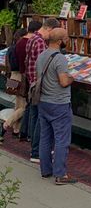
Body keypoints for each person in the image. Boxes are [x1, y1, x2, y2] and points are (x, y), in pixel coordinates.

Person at [37, 27, 76, 185]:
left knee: (45, 138)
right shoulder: (60, 59)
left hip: (43, 101)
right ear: (60, 41)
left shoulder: (42, 55)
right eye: (66, 38)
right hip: (59, 103)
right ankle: (60, 174)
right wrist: (72, 78)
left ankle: (45, 170)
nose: (67, 40)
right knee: (62, 139)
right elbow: (63, 81)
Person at [24, 17, 60, 162]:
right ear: (50, 29)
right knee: (41, 119)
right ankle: (37, 152)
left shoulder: (32, 39)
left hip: (32, 82)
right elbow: (43, 65)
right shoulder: (40, 42)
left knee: (35, 116)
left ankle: (34, 148)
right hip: (39, 85)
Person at [3, 28, 27, 135]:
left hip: (12, 76)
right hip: (19, 76)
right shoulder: (20, 49)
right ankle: (7, 123)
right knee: (23, 107)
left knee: (18, 104)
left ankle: (16, 129)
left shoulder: (10, 48)